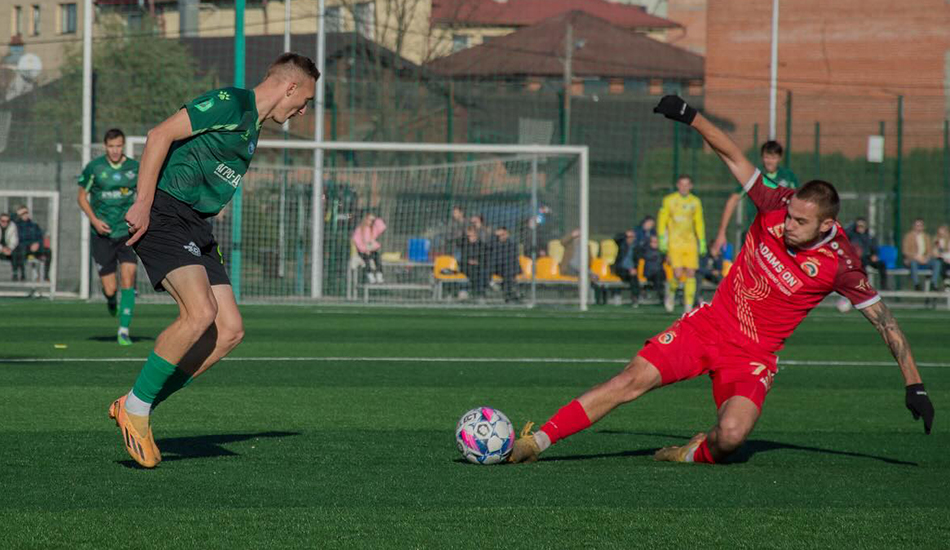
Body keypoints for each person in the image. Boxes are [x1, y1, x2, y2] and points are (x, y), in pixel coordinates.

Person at [507, 95, 934, 466]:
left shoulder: (841, 264)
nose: (788, 225)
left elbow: (885, 322)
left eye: (800, 222)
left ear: (826, 226)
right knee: (629, 381)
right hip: (708, 326)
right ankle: (537, 440)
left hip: (752, 357)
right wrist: (690, 116)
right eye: (789, 216)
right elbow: (732, 155)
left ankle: (688, 453)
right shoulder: (774, 203)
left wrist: (913, 383)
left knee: (730, 437)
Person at [109, 53, 320, 468]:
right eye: (305, 100)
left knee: (229, 331)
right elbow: (158, 135)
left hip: (196, 227)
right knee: (200, 312)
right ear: (291, 86)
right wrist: (144, 202)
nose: (303, 110)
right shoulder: (232, 103)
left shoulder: (253, 128)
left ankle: (136, 403)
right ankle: (136, 409)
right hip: (166, 212)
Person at [78, 128, 140, 345]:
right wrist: (95, 221)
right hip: (102, 234)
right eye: (111, 146)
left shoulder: (135, 168)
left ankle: (123, 330)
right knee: (110, 288)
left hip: (126, 233)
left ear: (123, 146)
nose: (115, 150)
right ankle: (112, 301)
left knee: (129, 278)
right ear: (105, 147)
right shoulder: (94, 168)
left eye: (119, 146)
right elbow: (81, 197)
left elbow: (144, 194)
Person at [712, 140, 799, 254]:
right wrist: (722, 232)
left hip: (780, 235)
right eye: (767, 157)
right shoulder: (754, 176)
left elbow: (798, 201)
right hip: (756, 233)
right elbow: (733, 199)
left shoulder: (788, 177)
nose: (770, 161)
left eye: (773, 158)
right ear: (762, 157)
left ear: (779, 158)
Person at [657, 175, 706, 313]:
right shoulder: (669, 200)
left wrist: (702, 240)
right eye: (681, 184)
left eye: (687, 184)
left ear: (691, 186)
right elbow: (662, 220)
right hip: (675, 242)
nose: (684, 187)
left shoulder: (695, 202)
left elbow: (699, 222)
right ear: (677, 185)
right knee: (677, 274)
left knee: (691, 273)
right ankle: (671, 294)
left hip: (690, 242)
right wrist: (661, 238)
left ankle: (688, 306)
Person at [845, 217, 887, 290]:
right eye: (858, 226)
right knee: (862, 265)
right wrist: (852, 225)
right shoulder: (852, 235)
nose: (860, 228)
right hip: (856, 259)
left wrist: (875, 254)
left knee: (882, 264)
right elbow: (845, 233)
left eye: (862, 226)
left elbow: (874, 247)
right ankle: (863, 286)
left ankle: (884, 286)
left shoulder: (869, 236)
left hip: (868, 257)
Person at [13, 205, 51, 281]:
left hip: (35, 249)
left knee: (48, 251)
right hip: (23, 249)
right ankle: (22, 275)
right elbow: (16, 240)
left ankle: (45, 275)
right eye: (23, 213)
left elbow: (40, 237)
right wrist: (30, 245)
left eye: (26, 212)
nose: (25, 214)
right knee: (20, 249)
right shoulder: (15, 226)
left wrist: (38, 244)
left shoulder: (34, 225)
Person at [901, 218, 942, 290]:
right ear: (913, 226)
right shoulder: (908, 236)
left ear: (923, 227)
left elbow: (930, 250)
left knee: (937, 263)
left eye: (920, 225)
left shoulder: (926, 237)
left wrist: (927, 257)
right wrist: (916, 257)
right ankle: (916, 284)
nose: (919, 227)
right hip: (914, 259)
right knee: (913, 263)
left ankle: (933, 283)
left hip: (925, 259)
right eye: (917, 225)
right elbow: (905, 251)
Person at [352, 212, 387, 284]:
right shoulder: (359, 230)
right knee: (366, 260)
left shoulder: (372, 229)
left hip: (371, 249)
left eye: (372, 220)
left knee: (377, 258)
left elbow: (382, 227)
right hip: (363, 250)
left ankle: (379, 276)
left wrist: (376, 220)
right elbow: (357, 241)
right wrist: (365, 249)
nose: (371, 222)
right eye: (369, 220)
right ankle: (370, 276)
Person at [611, 229, 641, 307]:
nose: (630, 238)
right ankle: (635, 297)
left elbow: (636, 261)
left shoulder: (636, 247)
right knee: (632, 276)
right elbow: (615, 238)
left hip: (631, 270)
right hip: (620, 268)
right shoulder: (622, 244)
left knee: (633, 277)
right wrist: (625, 234)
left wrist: (634, 268)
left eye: (632, 237)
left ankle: (635, 297)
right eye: (629, 237)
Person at [491, 226, 521, 303]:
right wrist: (494, 236)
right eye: (499, 235)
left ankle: (509, 294)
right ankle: (511, 294)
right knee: (508, 273)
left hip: (509, 267)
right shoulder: (494, 244)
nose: (501, 237)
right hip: (497, 267)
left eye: (503, 234)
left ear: (507, 234)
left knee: (508, 272)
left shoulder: (512, 245)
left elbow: (512, 258)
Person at [459, 225, 489, 300]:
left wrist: (477, 262)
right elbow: (462, 258)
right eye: (468, 236)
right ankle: (478, 293)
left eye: (471, 235)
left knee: (481, 272)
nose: (469, 237)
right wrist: (468, 261)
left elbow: (485, 258)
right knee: (474, 271)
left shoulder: (482, 245)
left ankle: (480, 293)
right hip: (466, 266)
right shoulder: (464, 245)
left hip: (479, 266)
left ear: (476, 235)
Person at [0, 213, 19, 279]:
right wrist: (2, 249)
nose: (5, 223)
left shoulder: (12, 226)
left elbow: (14, 240)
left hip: (8, 250)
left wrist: (10, 248)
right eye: (3, 221)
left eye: (7, 221)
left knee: (16, 253)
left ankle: (15, 273)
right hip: (1, 249)